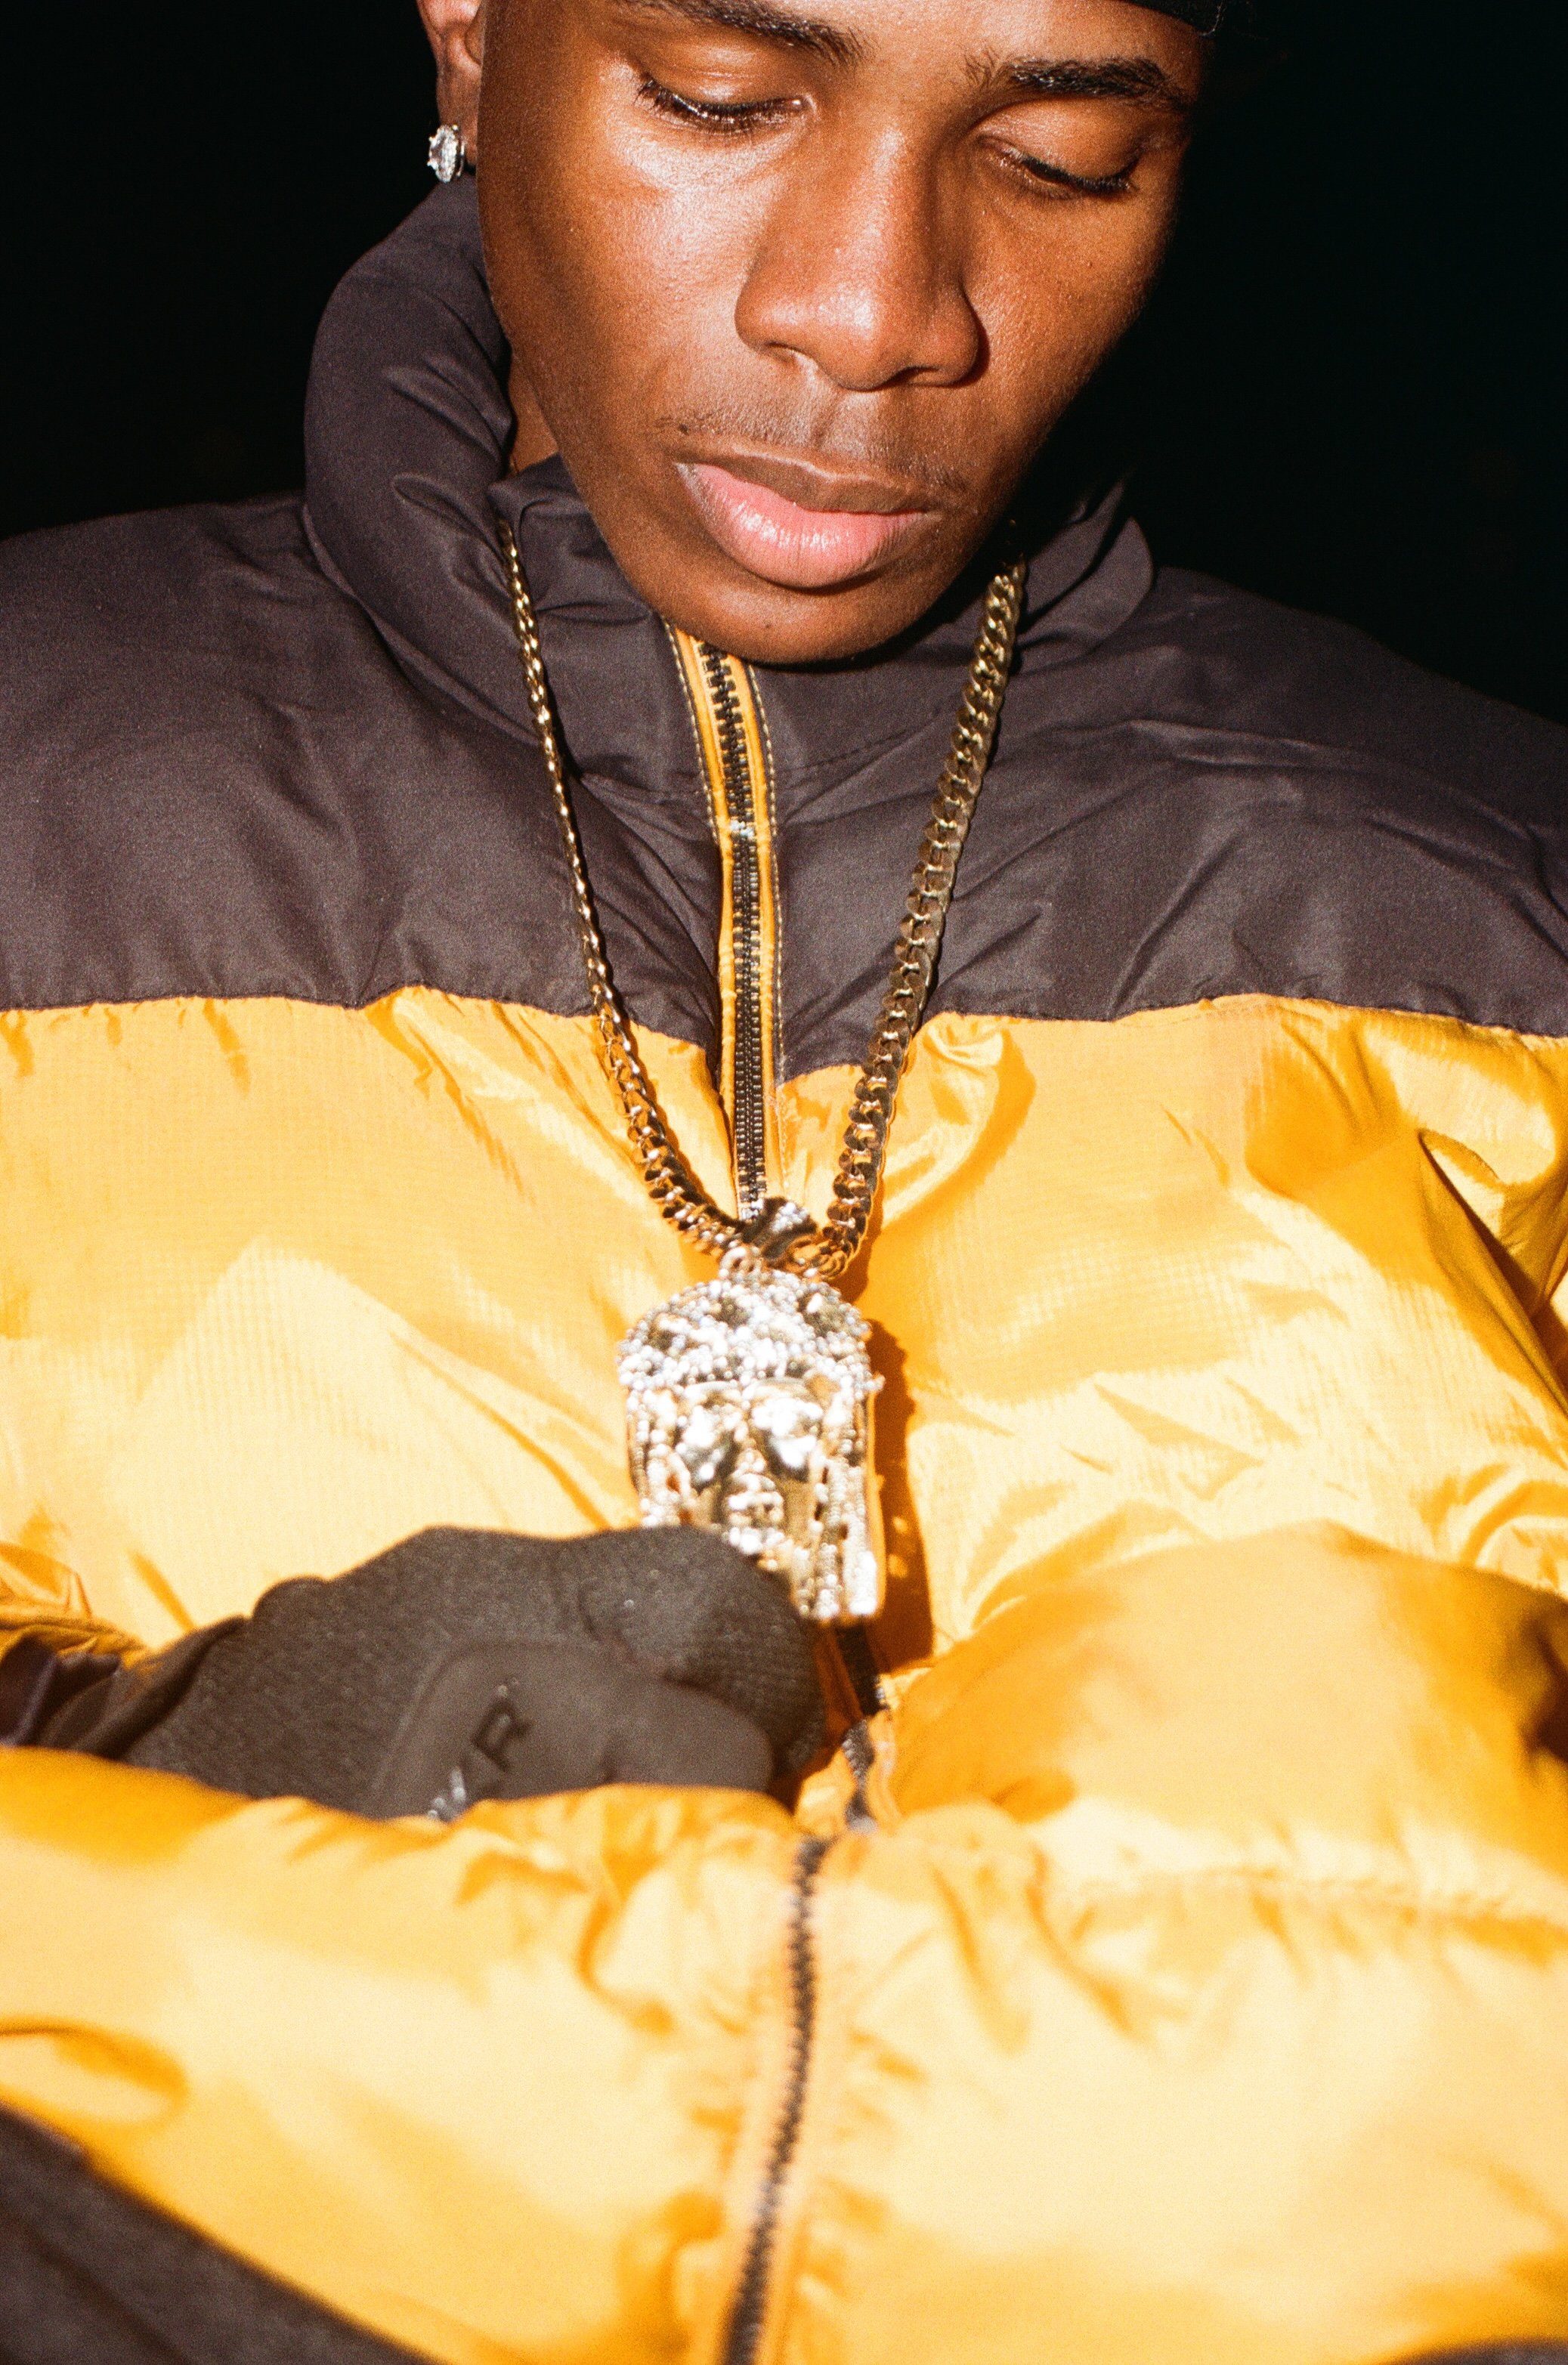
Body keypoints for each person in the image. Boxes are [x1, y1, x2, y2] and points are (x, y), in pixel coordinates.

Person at [2, 0, 1567, 2357]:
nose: (868, 306)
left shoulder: (1504, 897)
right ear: (465, 26)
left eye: (1053, 158)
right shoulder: (37, 770)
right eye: (722, 103)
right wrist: (149, 1750)